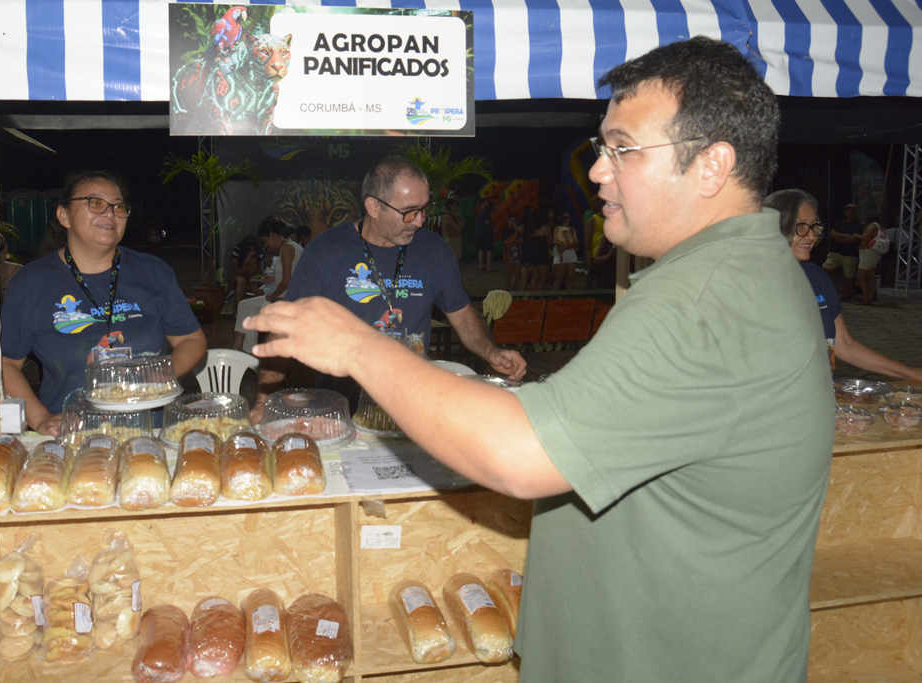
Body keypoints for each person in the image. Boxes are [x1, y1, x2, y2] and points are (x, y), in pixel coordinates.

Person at [244, 37, 833, 682]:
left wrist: (357, 345)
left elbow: (520, 454)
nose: (598, 171)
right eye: (602, 148)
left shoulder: (702, 298)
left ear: (713, 165)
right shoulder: (745, 271)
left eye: (622, 148)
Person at [247, 155, 526, 419]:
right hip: (342, 404)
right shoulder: (325, 251)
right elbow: (286, 327)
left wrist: (491, 351)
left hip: (411, 402)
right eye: (409, 212)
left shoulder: (435, 250)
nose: (419, 221)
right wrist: (262, 401)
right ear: (373, 207)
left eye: (424, 209)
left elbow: (462, 314)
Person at [1, 171, 207, 436]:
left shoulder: (153, 272)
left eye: (118, 207)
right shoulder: (30, 283)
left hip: (150, 431)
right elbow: (6, 363)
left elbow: (192, 340)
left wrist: (157, 376)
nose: (110, 213)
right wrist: (40, 418)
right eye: (95, 203)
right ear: (64, 216)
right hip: (72, 433)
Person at [765, 189, 922, 382]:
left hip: (819, 394)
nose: (812, 236)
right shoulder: (747, 285)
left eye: (814, 227)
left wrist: (912, 374)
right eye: (802, 227)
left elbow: (844, 344)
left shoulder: (816, 277)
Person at [232, 216, 302, 353]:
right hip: (285, 295)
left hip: (287, 297)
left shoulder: (287, 248)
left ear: (272, 235)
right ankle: (243, 349)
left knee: (250, 308)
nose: (266, 245)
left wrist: (271, 296)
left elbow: (286, 281)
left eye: (265, 241)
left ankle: (242, 349)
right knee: (245, 306)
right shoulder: (290, 247)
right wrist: (273, 282)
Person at [823, 203, 863, 301]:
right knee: (824, 268)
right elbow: (832, 235)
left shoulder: (858, 225)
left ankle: (846, 295)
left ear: (855, 213)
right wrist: (846, 236)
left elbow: (853, 239)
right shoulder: (838, 223)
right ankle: (827, 290)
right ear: (844, 213)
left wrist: (839, 237)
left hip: (850, 254)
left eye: (852, 211)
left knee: (849, 276)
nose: (849, 213)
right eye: (848, 211)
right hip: (836, 252)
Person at [856, 221, 888, 305]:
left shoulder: (873, 226)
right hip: (874, 254)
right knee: (871, 276)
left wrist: (857, 236)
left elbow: (866, 238)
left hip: (868, 253)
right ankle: (869, 298)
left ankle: (866, 298)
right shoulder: (879, 227)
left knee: (861, 277)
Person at [520, 209, 551, 290]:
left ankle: (532, 293)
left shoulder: (530, 229)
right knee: (542, 278)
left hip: (531, 253)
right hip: (541, 253)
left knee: (534, 276)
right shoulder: (544, 228)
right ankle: (538, 294)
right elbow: (551, 240)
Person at [551, 211, 579, 291]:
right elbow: (556, 241)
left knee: (570, 278)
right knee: (559, 278)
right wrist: (567, 245)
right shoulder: (557, 229)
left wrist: (566, 246)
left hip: (570, 253)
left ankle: (569, 296)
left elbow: (576, 242)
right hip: (560, 253)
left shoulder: (572, 230)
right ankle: (554, 296)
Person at [230, 234, 263, 303]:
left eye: (253, 250)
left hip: (252, 273)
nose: (251, 252)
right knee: (242, 280)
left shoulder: (258, 252)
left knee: (253, 280)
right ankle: (239, 306)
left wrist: (252, 263)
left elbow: (255, 271)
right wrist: (245, 263)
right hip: (238, 274)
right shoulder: (237, 250)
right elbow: (237, 270)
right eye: (249, 250)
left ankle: (256, 304)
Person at [503, 214, 524, 291]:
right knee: (509, 273)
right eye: (511, 220)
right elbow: (509, 241)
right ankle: (508, 290)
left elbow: (521, 240)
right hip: (509, 254)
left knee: (518, 274)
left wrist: (515, 241)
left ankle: (515, 290)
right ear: (508, 221)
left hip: (516, 254)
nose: (513, 222)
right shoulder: (506, 230)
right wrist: (516, 232)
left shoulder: (517, 231)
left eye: (514, 221)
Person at [440, 198, 464, 262]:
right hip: (452, 240)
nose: (456, 208)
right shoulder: (448, 217)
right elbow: (458, 229)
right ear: (450, 206)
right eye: (455, 206)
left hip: (455, 239)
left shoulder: (453, 215)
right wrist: (462, 224)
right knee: (455, 260)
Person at [474, 196, 494, 271]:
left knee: (481, 249)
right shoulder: (485, 213)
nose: (488, 204)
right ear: (482, 204)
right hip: (486, 233)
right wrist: (493, 226)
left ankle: (481, 265)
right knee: (489, 249)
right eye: (486, 203)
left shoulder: (479, 212)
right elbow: (487, 223)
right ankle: (489, 266)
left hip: (479, 233)